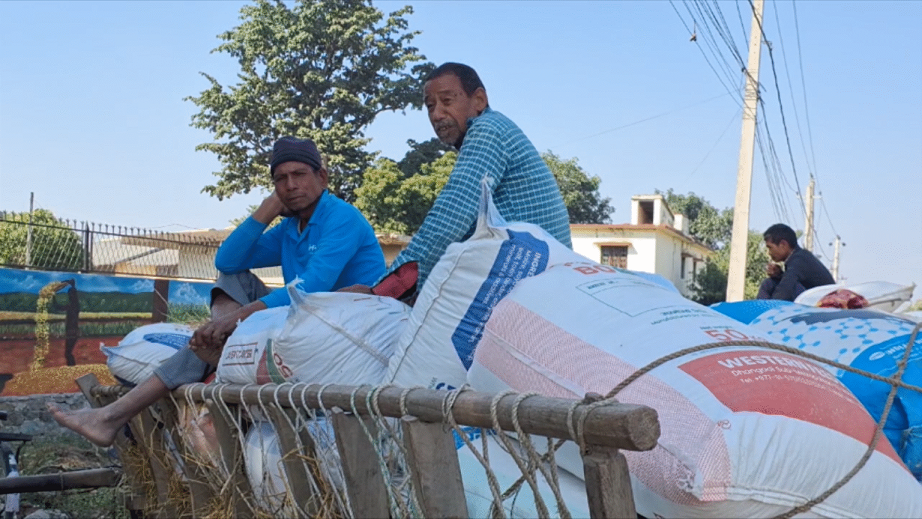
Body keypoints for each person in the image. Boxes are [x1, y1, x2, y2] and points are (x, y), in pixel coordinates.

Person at [49, 137, 386, 446]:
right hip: (304, 318)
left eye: (299, 175)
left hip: (344, 324)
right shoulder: (289, 227)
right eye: (280, 179)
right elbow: (227, 260)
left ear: (322, 178)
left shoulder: (342, 218)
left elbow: (311, 289)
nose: (290, 185)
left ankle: (117, 412)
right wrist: (267, 209)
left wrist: (234, 319)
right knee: (231, 276)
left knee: (218, 333)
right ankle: (221, 349)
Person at [347, 62, 572, 301]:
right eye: (430, 106)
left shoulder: (487, 130)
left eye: (447, 101)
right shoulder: (496, 129)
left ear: (479, 100)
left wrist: (382, 291)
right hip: (542, 281)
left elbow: (450, 218)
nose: (436, 114)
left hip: (536, 289)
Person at [757, 223, 834, 301]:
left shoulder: (798, 260)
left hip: (821, 302)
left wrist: (773, 306)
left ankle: (762, 308)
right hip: (817, 298)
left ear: (783, 244)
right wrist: (779, 275)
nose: (769, 252)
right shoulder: (799, 257)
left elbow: (784, 291)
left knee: (769, 284)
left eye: (770, 248)